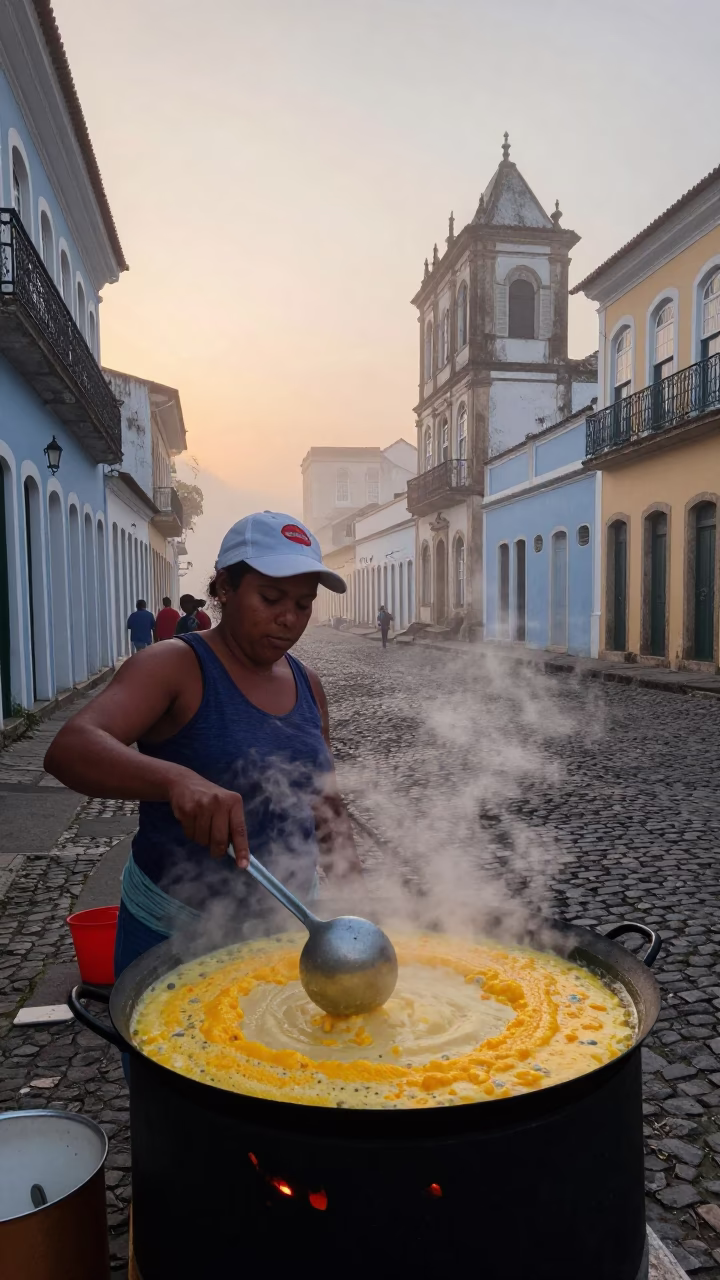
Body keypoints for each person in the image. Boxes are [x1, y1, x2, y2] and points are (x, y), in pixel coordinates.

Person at [44, 511, 362, 980]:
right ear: (225, 589)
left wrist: (360, 899)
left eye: (304, 603)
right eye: (271, 597)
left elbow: (324, 799)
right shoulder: (174, 665)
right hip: (176, 933)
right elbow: (69, 749)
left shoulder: (308, 683)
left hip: (293, 926)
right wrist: (175, 779)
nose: (289, 618)